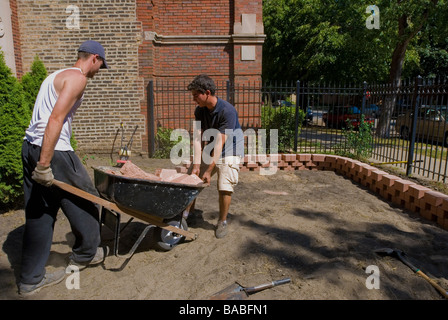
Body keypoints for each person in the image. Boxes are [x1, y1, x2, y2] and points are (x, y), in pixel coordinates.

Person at [19, 40, 109, 295]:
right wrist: (45, 164)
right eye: (100, 65)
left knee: (40, 212)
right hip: (54, 151)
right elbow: (55, 118)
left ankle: (30, 279)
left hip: (30, 146)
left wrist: (38, 159)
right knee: (87, 200)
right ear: (94, 58)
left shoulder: (54, 76)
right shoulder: (78, 78)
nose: (98, 71)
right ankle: (85, 254)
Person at [184, 74, 244, 238]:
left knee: (224, 186)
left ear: (207, 93)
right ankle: (186, 215)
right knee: (191, 179)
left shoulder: (228, 111)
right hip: (212, 146)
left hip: (230, 148)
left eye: (196, 95)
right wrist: (197, 165)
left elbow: (220, 143)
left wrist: (209, 170)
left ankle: (222, 221)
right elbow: (197, 138)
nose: (194, 99)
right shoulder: (200, 110)